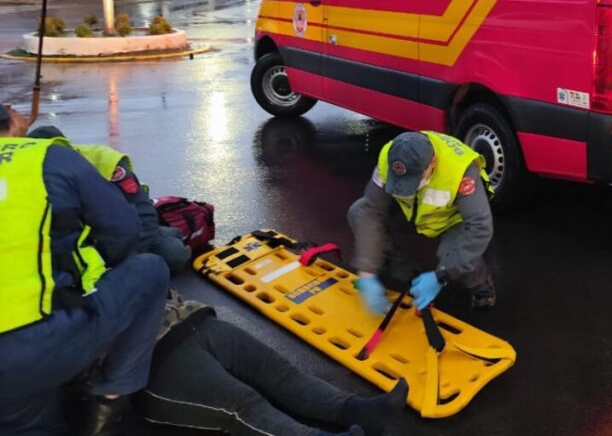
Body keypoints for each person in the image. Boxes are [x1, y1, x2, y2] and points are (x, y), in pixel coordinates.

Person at [0, 104, 169, 435]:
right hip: (35, 345)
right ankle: (109, 401)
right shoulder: (49, 157)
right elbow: (124, 234)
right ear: (11, 120)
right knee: (151, 269)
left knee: (25, 415)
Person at [142, 290, 407, 436]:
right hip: (152, 352)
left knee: (282, 374)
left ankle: (358, 411)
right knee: (243, 404)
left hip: (189, 318)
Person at [348, 130, 496, 314]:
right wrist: (367, 272)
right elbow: (371, 210)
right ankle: (403, 271)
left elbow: (479, 226)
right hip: (413, 211)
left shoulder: (460, 170)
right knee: (358, 212)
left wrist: (441, 275)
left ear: (432, 163)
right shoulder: (389, 157)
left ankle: (482, 289)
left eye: (412, 180)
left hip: (451, 218)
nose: (406, 186)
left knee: (456, 252)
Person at [27, 125, 192, 272]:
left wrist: (118, 262)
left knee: (172, 254)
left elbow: (143, 217)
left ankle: (166, 234)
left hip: (120, 234)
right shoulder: (27, 171)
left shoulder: (102, 161)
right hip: (75, 241)